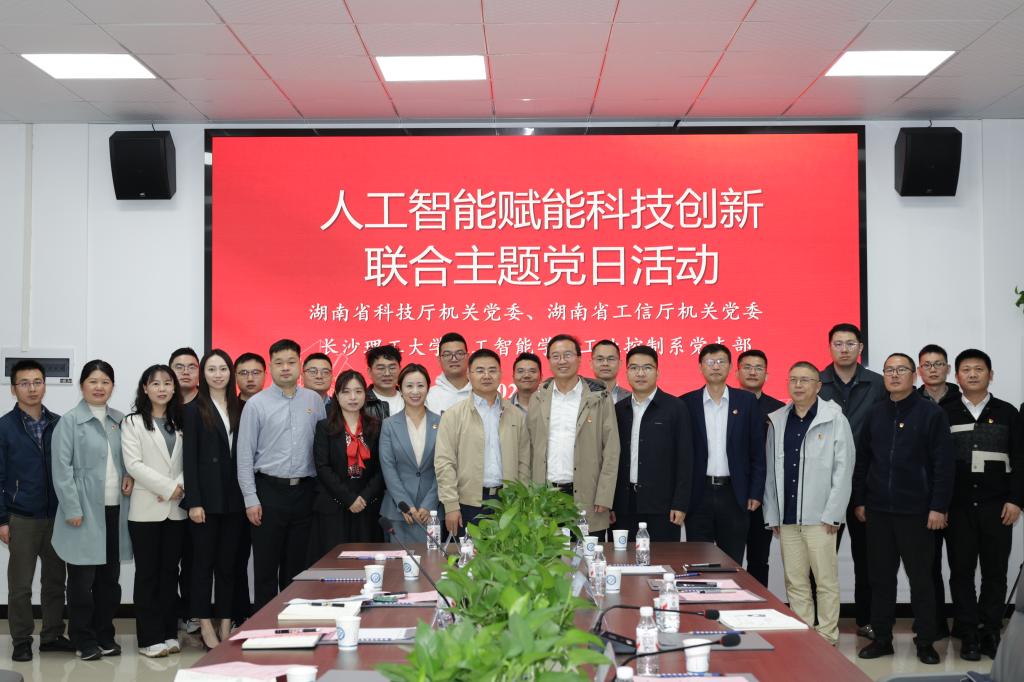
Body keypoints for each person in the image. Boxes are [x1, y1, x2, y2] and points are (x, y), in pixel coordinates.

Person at [853, 352, 954, 665]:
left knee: (922, 579)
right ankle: (882, 638)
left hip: (917, 512)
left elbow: (944, 465)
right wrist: (860, 500)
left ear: (914, 375)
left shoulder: (931, 414)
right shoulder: (875, 413)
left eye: (901, 370)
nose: (894, 375)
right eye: (889, 370)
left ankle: (925, 641)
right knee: (880, 579)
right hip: (879, 511)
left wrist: (938, 506)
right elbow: (863, 460)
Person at [763, 361, 854, 645]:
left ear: (818, 386)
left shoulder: (834, 418)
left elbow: (844, 469)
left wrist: (834, 513)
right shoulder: (778, 420)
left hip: (821, 519)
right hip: (788, 518)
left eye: (805, 380)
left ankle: (827, 636)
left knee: (825, 581)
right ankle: (804, 638)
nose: (798, 385)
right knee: (796, 582)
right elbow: (771, 472)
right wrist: (773, 514)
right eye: (793, 379)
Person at [943, 349, 1023, 660]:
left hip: (998, 507)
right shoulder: (944, 412)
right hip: (957, 507)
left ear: (991, 375)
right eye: (966, 369)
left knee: (995, 572)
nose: (973, 374)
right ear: (957, 376)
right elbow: (937, 463)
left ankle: (990, 631)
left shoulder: (1008, 412)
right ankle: (968, 633)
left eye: (979, 369)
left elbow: (1021, 459)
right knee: (961, 572)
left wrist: (1016, 500)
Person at [50, 360, 133, 661]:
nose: (99, 387)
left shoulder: (120, 420)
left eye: (105, 382)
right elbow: (61, 470)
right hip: (83, 513)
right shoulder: (69, 421)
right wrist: (72, 508)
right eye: (93, 381)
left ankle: (104, 634)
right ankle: (82, 638)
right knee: (82, 582)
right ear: (82, 385)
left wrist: (129, 475)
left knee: (109, 581)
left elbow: (130, 459)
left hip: (115, 511)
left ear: (113, 386)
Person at [236, 339, 326, 610]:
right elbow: (244, 455)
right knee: (266, 566)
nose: (285, 368)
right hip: (268, 492)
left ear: (300, 365)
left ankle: (293, 619)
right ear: (270, 367)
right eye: (279, 363)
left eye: (291, 362)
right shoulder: (256, 404)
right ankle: (265, 622)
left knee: (296, 567)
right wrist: (250, 498)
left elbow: (322, 449)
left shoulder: (314, 400)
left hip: (305, 492)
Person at [0, 360, 72, 661]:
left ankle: (52, 635)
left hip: (56, 517)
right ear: (13, 389)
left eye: (37, 382)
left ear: (45, 385)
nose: (32, 388)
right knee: (20, 586)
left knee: (55, 582)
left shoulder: (59, 423)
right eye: (24, 383)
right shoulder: (4, 427)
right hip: (21, 517)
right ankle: (21, 640)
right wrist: (2, 519)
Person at [817, 322, 886, 639]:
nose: (844, 349)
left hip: (866, 482)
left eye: (850, 343)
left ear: (860, 348)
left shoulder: (878, 384)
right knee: (821, 557)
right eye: (838, 343)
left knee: (868, 557)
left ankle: (867, 620)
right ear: (829, 347)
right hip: (824, 483)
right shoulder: (816, 382)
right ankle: (820, 621)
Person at [520, 334, 620, 534]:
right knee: (548, 551)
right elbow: (527, 449)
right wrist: (527, 495)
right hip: (545, 496)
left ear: (579, 359)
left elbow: (611, 449)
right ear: (549, 361)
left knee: (587, 551)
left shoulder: (599, 397)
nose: (562, 361)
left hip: (587, 496)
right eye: (556, 356)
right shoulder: (538, 398)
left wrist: (604, 496)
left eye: (567, 355)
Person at [182, 349, 246, 649]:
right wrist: (194, 501)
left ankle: (225, 622)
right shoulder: (193, 409)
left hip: (235, 499)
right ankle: (204, 623)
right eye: (211, 369)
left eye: (222, 369)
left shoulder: (242, 407)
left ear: (230, 372)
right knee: (202, 566)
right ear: (203, 374)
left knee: (228, 566)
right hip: (205, 502)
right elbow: (189, 459)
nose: (217, 374)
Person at [679, 344, 766, 564]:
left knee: (732, 562)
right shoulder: (686, 403)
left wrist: (755, 492)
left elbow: (757, 451)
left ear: (730, 367)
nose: (715, 367)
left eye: (721, 362)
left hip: (735, 495)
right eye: (710, 362)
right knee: (698, 562)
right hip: (698, 495)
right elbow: (680, 455)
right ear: (700, 367)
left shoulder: (746, 402)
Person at [121, 364, 186, 658]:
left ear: (174, 388)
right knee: (148, 574)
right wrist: (168, 488)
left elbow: (191, 460)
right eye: (155, 383)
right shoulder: (132, 423)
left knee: (170, 573)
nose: (162, 388)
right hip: (145, 510)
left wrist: (178, 487)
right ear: (145, 388)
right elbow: (133, 465)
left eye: (167, 383)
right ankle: (149, 639)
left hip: (176, 510)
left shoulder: (182, 421)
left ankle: (169, 633)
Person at [435, 349, 529, 536]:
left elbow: (524, 462)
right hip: (468, 504)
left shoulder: (516, 415)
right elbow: (444, 462)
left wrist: (522, 500)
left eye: (492, 370)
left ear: (500, 374)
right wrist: (451, 505)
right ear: (469, 375)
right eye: (480, 370)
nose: (486, 376)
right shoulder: (453, 415)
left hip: (508, 502)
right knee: (468, 554)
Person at [611, 345, 692, 541]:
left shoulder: (676, 408)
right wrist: (609, 504)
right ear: (626, 372)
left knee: (663, 557)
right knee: (623, 557)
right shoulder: (618, 410)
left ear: (657, 372)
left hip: (662, 507)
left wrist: (680, 503)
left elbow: (685, 459)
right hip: (623, 506)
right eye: (634, 368)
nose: (640, 373)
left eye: (647, 367)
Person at [312, 370, 385, 555]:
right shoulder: (324, 427)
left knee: (368, 560)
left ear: (365, 395)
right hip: (334, 505)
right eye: (346, 391)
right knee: (335, 562)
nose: (353, 397)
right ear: (337, 395)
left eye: (358, 391)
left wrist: (364, 497)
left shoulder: (376, 426)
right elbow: (322, 467)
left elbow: (382, 468)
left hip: (367, 505)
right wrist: (349, 498)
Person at [917, 343, 960, 640]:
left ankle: (965, 625)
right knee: (927, 566)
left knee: (961, 565)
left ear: (948, 368)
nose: (933, 369)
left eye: (938, 364)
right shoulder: (911, 402)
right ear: (919, 370)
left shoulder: (962, 401)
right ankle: (933, 623)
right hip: (922, 499)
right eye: (927, 365)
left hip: (959, 497)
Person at [735, 349, 785, 587]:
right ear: (737, 372)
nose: (753, 372)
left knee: (759, 558)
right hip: (732, 492)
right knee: (730, 557)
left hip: (765, 496)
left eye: (758, 368)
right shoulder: (726, 404)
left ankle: (758, 603)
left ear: (767, 374)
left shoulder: (779, 410)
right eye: (747, 367)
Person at [379, 364, 441, 545]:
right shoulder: (389, 425)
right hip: (399, 512)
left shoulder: (442, 422)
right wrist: (405, 505)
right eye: (409, 386)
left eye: (420, 385)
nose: (415, 391)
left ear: (428, 388)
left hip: (431, 512)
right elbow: (388, 468)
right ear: (400, 389)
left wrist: (429, 504)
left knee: (433, 560)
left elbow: (445, 467)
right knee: (399, 561)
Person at [230, 351, 262, 625]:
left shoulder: (272, 406)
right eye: (243, 373)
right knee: (236, 559)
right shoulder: (227, 408)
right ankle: (239, 616)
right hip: (234, 496)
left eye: (255, 373)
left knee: (267, 560)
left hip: (270, 492)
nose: (250, 378)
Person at [425, 332, 472, 415]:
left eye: (459, 353)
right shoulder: (428, 397)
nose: (454, 359)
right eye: (447, 355)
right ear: (439, 359)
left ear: (467, 357)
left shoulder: (481, 393)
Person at [364, 345, 404, 421]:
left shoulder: (410, 397)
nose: (387, 373)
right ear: (369, 372)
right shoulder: (361, 402)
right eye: (381, 368)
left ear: (400, 369)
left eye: (392, 368)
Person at [590, 339, 630, 404]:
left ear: (620, 364)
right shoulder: (580, 395)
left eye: (611, 359)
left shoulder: (631, 398)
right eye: (600, 359)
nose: (605, 363)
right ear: (591, 364)